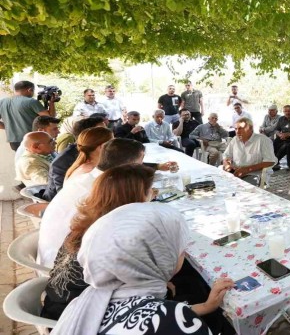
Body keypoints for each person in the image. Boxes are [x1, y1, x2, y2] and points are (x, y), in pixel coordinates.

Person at [51, 202, 233, 335]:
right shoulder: (172, 323)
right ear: (157, 257)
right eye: (177, 246)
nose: (183, 252)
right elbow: (163, 320)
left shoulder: (87, 301)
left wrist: (205, 306)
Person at [38, 139, 177, 268]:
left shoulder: (85, 179)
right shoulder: (105, 191)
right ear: (130, 166)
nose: (142, 166)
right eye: (141, 162)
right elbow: (126, 233)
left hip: (54, 255)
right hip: (67, 267)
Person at [41, 165, 156, 319]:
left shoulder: (88, 225)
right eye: (150, 191)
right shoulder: (117, 238)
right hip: (79, 318)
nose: (153, 194)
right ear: (136, 197)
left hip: (58, 305)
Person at [44, 117, 109, 201]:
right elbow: (64, 194)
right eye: (101, 132)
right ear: (88, 136)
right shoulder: (63, 161)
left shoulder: (101, 154)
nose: (107, 133)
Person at [0, 80, 56, 151]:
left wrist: (9, 127)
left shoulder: (2, 102)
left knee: (22, 157)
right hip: (32, 139)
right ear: (30, 90)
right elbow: (50, 118)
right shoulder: (31, 101)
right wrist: (51, 102)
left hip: (13, 142)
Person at [223, 117, 276, 186]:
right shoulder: (235, 140)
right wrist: (227, 165)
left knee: (239, 188)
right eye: (236, 129)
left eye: (241, 128)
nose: (238, 132)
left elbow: (270, 161)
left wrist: (247, 170)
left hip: (255, 175)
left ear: (250, 128)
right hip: (235, 173)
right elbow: (226, 156)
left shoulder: (263, 140)